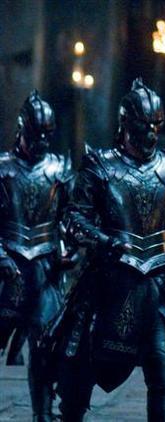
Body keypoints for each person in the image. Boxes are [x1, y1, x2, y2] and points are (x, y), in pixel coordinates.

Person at [53, 78, 165, 421]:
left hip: (157, 288)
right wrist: (104, 240)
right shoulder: (101, 165)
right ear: (126, 123)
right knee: (81, 369)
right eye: (143, 124)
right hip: (108, 283)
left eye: (156, 125)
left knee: (163, 375)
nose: (150, 133)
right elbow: (74, 217)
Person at [0, 91, 74, 422]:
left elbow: (71, 217)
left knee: (45, 347)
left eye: (47, 135)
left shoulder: (59, 169)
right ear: (22, 129)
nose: (42, 141)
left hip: (45, 269)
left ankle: (42, 415)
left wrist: (70, 247)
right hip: (8, 268)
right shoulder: (3, 170)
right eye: (36, 134)